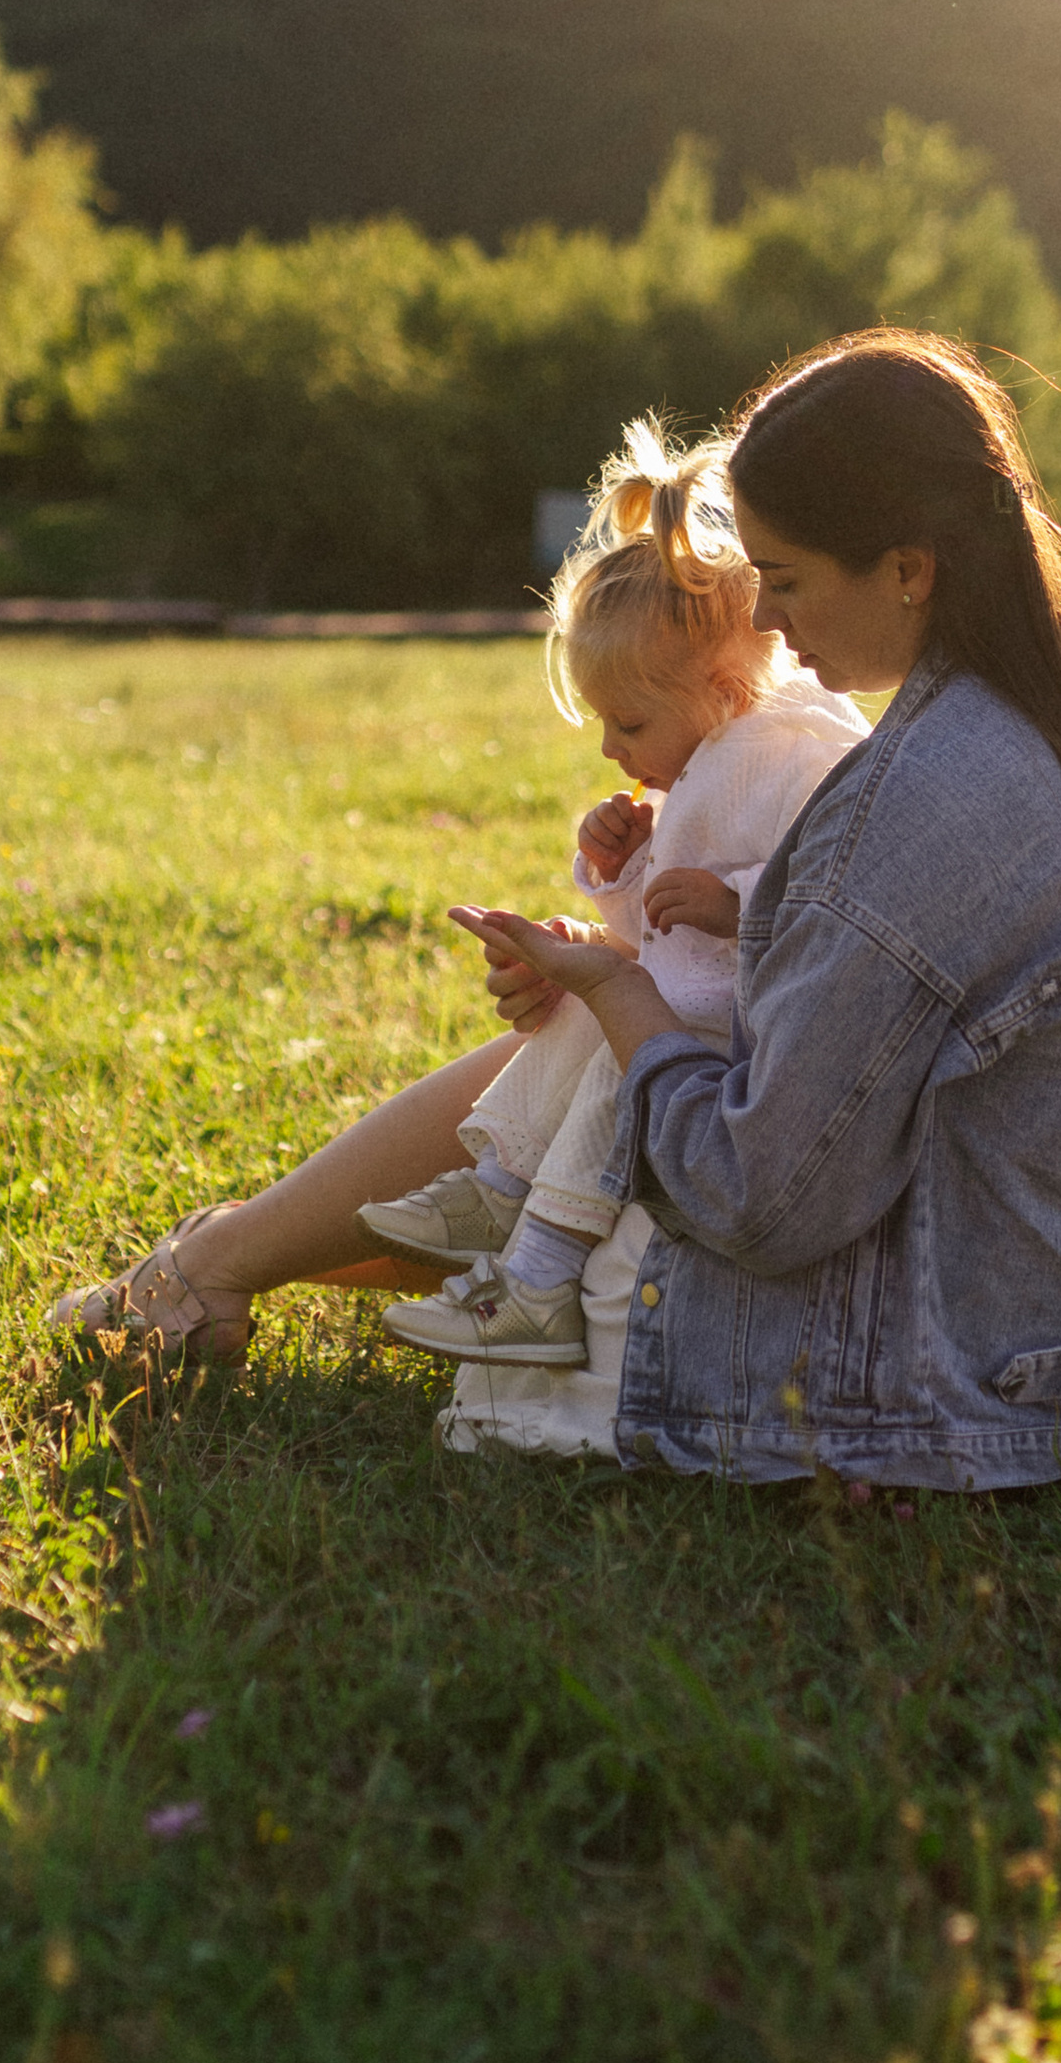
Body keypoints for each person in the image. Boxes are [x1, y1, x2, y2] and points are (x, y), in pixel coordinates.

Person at [53, 329, 1061, 1495]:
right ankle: (219, 1265)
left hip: (962, 1366)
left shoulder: (908, 804)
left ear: (909, 567)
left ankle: (209, 1267)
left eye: (784, 582)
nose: (772, 624)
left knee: (596, 1164)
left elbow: (752, 1197)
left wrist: (622, 996)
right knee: (578, 1075)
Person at [356, 424, 870, 1374]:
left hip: (757, 1040)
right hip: (694, 1005)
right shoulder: (711, 757)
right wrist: (625, 873)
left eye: (628, 722)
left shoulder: (802, 747)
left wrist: (739, 901)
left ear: (720, 689)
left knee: (618, 1062)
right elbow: (658, 936)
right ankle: (499, 1185)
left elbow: (848, 883)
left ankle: (540, 1280)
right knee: (586, 1017)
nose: (610, 749)